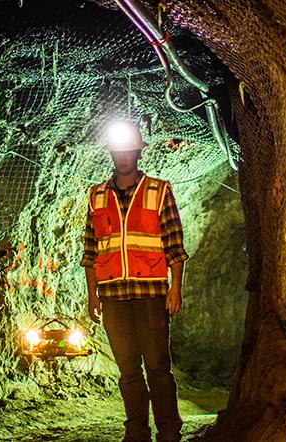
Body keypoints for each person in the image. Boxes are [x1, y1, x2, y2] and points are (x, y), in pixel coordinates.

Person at [81, 122, 189, 442]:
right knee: (128, 370)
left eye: (129, 150)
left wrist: (176, 288)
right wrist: (92, 295)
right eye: (118, 150)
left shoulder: (158, 190)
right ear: (112, 153)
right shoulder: (97, 195)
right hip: (113, 293)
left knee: (157, 366)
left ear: (137, 152)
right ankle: (136, 431)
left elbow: (175, 245)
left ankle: (168, 431)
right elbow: (90, 250)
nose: (123, 156)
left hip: (151, 291)